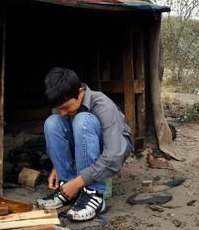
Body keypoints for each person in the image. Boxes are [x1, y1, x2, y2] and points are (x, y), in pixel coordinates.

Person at [36, 67, 133, 221]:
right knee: (52, 122)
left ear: (80, 92)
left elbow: (114, 156)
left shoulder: (103, 105)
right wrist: (57, 166)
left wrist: (78, 182)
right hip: (86, 148)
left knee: (83, 121)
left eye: (66, 108)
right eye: (58, 108)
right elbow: (63, 134)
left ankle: (94, 194)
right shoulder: (63, 105)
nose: (62, 112)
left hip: (113, 151)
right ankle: (66, 189)